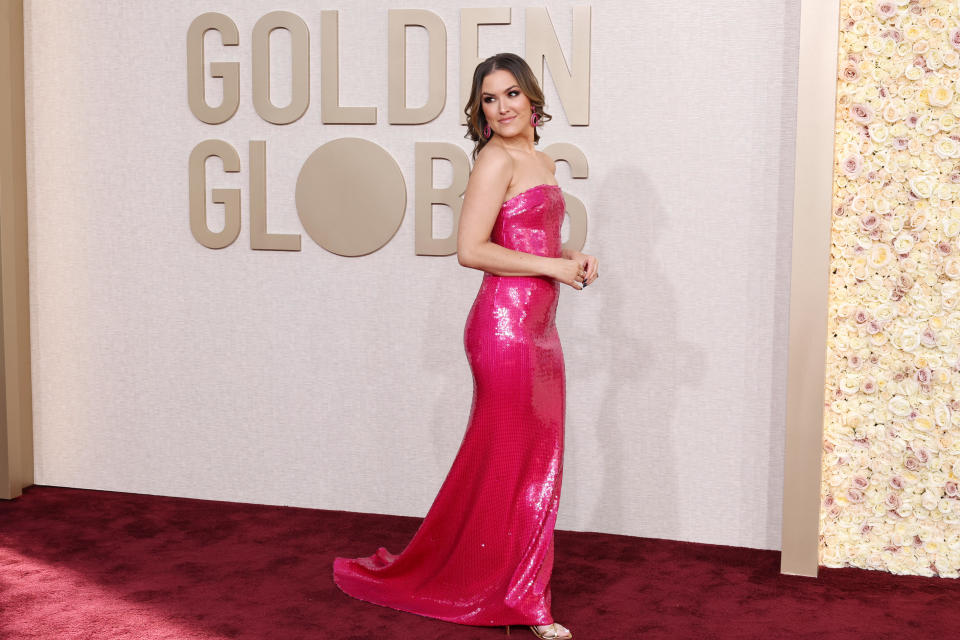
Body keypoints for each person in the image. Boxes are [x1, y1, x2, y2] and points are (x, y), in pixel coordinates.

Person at [333, 52, 599, 640]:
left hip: (540, 330)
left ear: (532, 98)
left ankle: (511, 583)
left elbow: (530, 239)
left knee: (536, 461)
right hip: (503, 330)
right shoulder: (495, 160)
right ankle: (526, 600)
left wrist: (571, 258)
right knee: (519, 463)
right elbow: (472, 249)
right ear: (480, 110)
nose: (502, 107)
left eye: (510, 94)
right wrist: (553, 266)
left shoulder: (540, 158)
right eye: (489, 98)